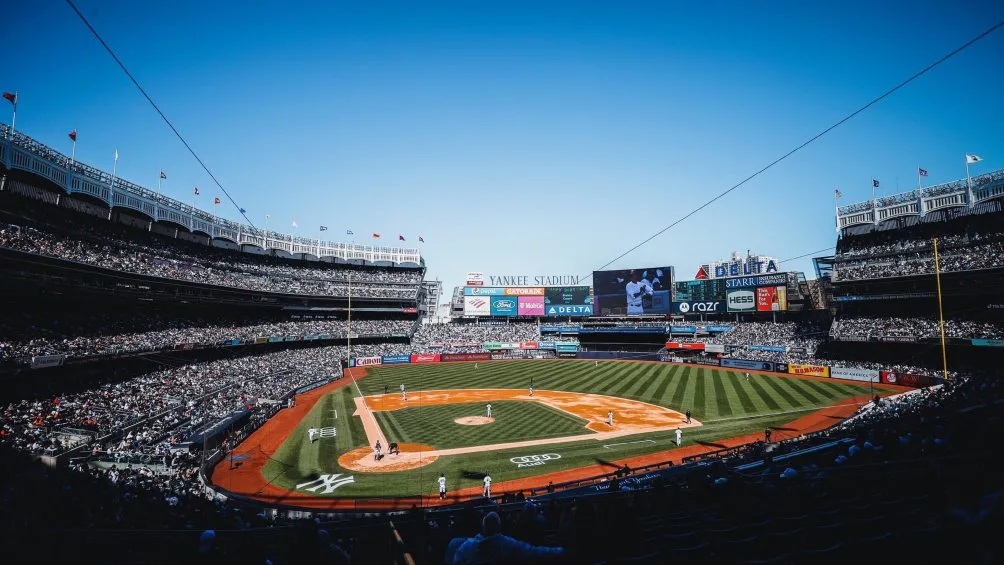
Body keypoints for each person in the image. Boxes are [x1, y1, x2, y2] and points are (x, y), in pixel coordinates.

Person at [452, 512, 564, 564]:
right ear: (499, 526)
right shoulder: (506, 543)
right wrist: (562, 551)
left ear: (483, 526)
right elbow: (533, 551)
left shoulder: (465, 545)